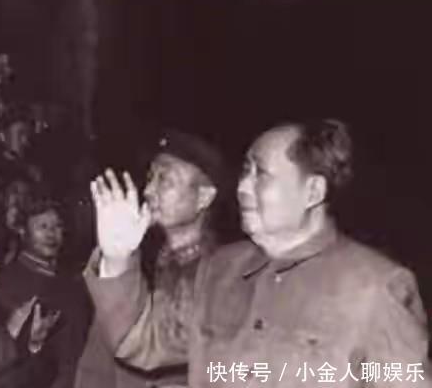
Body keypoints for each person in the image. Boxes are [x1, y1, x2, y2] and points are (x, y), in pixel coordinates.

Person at [85, 119, 431, 388]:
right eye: (245, 171)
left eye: (260, 174)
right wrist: (117, 257)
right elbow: (142, 342)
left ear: (312, 191)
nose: (241, 187)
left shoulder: (373, 288)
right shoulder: (221, 271)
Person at [75, 129, 226, 388]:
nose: (148, 190)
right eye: (150, 177)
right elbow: (96, 362)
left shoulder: (221, 276)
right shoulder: (137, 263)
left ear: (204, 197)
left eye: (165, 179)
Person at [0, 196, 92, 388]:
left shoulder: (72, 279)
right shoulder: (8, 283)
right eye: (43, 227)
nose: (51, 234)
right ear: (23, 231)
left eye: (57, 226)